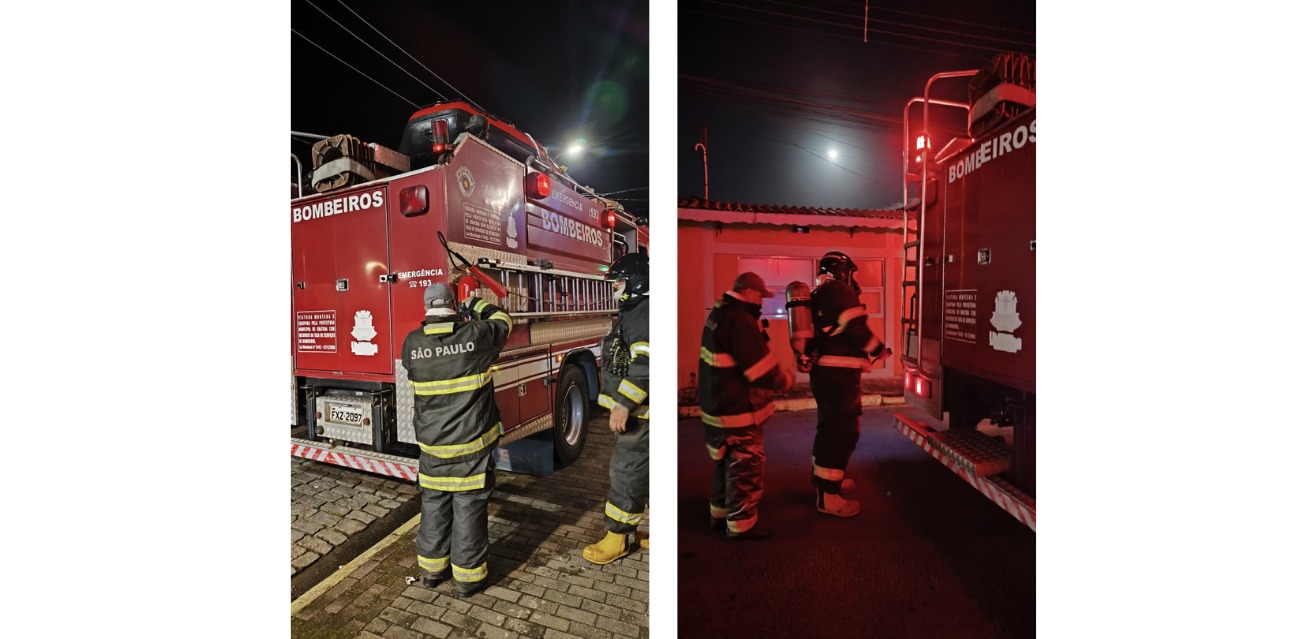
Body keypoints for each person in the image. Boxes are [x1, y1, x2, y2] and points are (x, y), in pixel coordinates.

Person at [401, 282, 512, 597]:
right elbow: (504, 320)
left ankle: (432, 572)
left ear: (427, 307)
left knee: (434, 503)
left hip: (432, 445)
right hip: (470, 445)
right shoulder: (475, 336)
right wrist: (474, 303)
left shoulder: (411, 343)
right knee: (469, 505)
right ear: (452, 305)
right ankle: (468, 579)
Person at [698, 272, 794, 540]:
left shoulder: (719, 315)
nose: (762, 302)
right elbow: (759, 369)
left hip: (717, 408)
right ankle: (743, 525)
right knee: (746, 466)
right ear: (749, 291)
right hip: (736, 410)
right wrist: (785, 379)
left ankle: (719, 514)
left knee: (724, 463)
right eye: (761, 296)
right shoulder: (739, 320)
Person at [806, 251, 891, 517]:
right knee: (841, 432)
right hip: (839, 377)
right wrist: (878, 350)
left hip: (827, 376)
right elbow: (856, 327)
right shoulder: (839, 291)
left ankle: (828, 483)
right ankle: (829, 498)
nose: (853, 278)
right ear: (842, 271)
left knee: (829, 429)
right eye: (850, 272)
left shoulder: (819, 293)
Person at [583, 252, 650, 564]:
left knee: (626, 471)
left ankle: (617, 538)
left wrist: (623, 404)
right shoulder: (638, 313)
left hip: (639, 415)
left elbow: (647, 366)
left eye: (619, 283)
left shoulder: (643, 315)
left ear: (635, 283)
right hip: (643, 414)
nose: (615, 289)